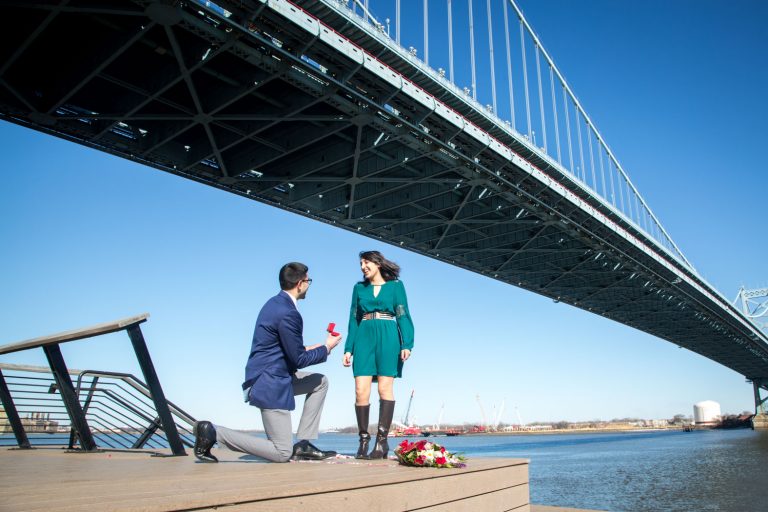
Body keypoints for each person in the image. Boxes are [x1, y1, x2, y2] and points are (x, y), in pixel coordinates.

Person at [193, 262, 342, 463]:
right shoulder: (290, 313)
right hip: (271, 383)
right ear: (300, 283)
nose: (309, 285)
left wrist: (313, 348)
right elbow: (298, 359)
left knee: (320, 381)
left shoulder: (275, 304)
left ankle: (304, 443)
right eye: (308, 281)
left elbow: (284, 350)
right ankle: (214, 432)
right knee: (281, 453)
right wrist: (327, 348)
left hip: (272, 375)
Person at [342, 251, 415, 459]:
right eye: (360, 264)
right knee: (360, 390)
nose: (363, 267)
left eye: (366, 263)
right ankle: (363, 441)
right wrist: (349, 348)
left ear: (377, 263)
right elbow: (353, 319)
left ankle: (381, 442)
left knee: (385, 388)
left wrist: (407, 343)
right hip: (364, 336)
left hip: (388, 336)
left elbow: (402, 314)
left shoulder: (396, 286)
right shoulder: (358, 288)